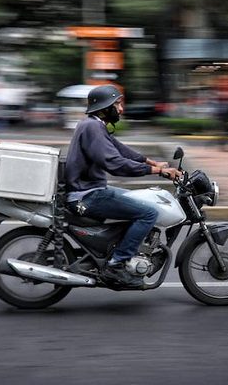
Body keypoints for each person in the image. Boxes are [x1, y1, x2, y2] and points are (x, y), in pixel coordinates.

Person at [65, 85, 181, 287]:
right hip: (87, 196)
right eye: (117, 103)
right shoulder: (92, 127)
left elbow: (118, 148)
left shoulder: (94, 125)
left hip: (90, 190)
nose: (121, 109)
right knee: (148, 213)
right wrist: (158, 172)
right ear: (104, 107)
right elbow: (115, 163)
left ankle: (116, 250)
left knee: (136, 201)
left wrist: (150, 162)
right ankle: (116, 265)